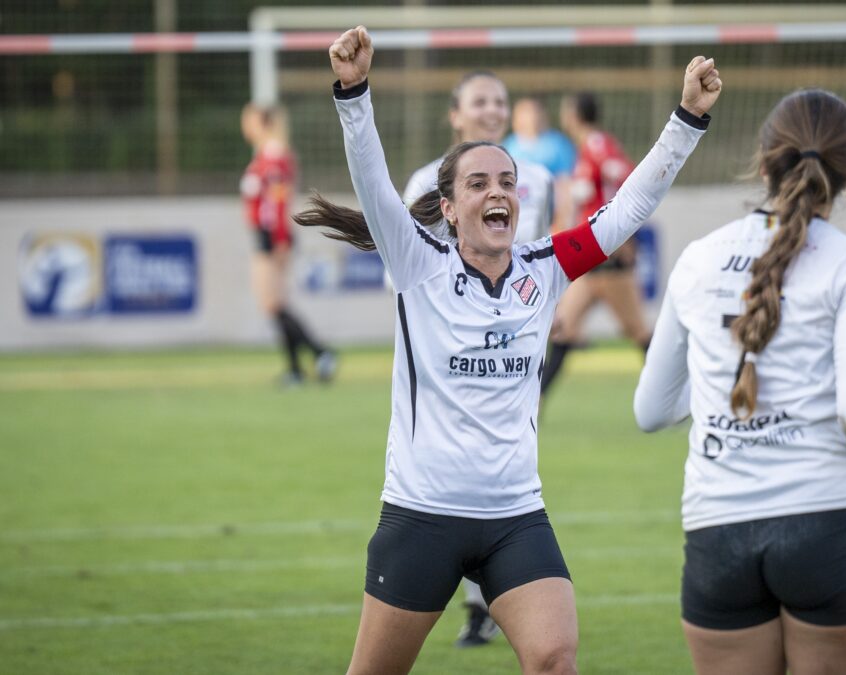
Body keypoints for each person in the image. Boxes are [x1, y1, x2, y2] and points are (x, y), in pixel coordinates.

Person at [297, 25, 719, 675]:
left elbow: (631, 205)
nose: (497, 192)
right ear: (448, 208)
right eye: (478, 183)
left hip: (516, 518)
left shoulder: (546, 267)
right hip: (421, 515)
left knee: (554, 659)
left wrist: (687, 118)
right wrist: (354, 93)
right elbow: (373, 181)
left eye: (507, 182)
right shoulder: (418, 261)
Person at [633, 88, 846, 675]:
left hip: (717, 532)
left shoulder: (697, 259)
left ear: (763, 162)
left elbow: (651, 410)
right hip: (827, 523)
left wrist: (720, 388)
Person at [402, 71, 557, 649]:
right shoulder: (424, 182)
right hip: (452, 345)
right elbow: (406, 269)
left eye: (500, 102)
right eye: (480, 101)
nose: (492, 111)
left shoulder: (537, 179)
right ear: (455, 114)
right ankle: (469, 597)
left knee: (505, 462)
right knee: (454, 465)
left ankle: (487, 599)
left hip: (516, 340)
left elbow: (545, 255)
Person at [540, 92, 651, 397]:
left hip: (609, 261)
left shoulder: (598, 144)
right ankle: (531, 403)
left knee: (638, 332)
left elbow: (628, 177)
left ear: (574, 114)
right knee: (563, 329)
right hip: (591, 260)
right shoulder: (585, 149)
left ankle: (675, 395)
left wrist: (622, 230)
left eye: (566, 109)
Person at [240, 103, 337, 386]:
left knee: (274, 303)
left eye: (250, 120)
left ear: (264, 123)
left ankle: (318, 354)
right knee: (275, 304)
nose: (245, 126)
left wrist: (280, 240)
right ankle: (301, 366)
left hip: (272, 236)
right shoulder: (264, 156)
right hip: (265, 235)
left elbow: (278, 203)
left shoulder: (275, 157)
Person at [503, 97, 577, 233]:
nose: (530, 117)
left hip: (550, 219)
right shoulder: (508, 146)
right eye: (524, 113)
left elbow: (565, 184)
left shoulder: (558, 144)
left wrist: (562, 222)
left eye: (533, 112)